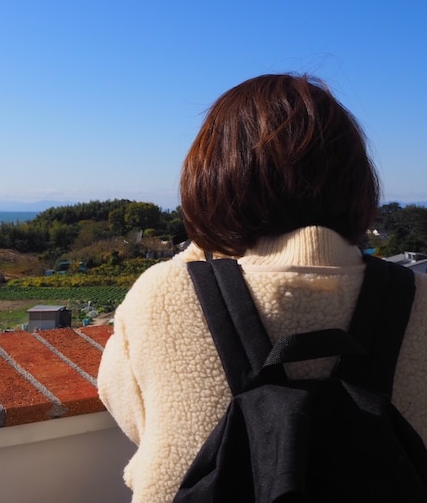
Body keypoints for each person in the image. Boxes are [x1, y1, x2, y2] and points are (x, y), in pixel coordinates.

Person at [97, 73, 427, 503]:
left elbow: (125, 401)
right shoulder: (417, 297)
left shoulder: (163, 295)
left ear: (215, 177)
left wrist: (203, 252)